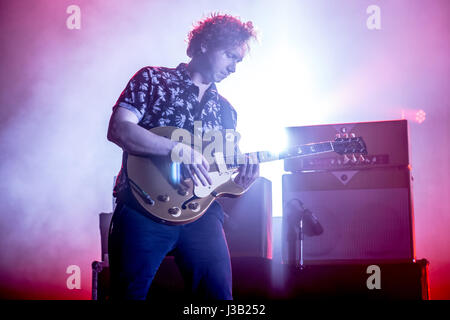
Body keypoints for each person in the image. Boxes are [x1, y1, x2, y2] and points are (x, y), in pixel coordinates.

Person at [107, 13, 259, 300]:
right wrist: (177, 149)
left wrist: (243, 181)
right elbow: (119, 129)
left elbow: (221, 174)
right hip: (143, 208)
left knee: (218, 299)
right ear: (204, 46)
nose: (234, 68)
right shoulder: (152, 79)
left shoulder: (226, 110)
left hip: (202, 215)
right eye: (230, 56)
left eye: (238, 61)